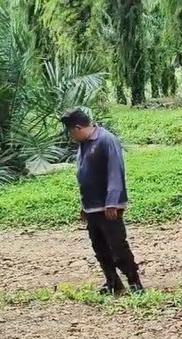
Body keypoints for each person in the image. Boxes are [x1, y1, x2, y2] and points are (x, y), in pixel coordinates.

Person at [61, 109, 144, 295]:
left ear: (78, 127)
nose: (71, 136)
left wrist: (112, 201)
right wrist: (84, 206)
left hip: (108, 207)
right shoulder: (83, 144)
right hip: (92, 206)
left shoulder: (106, 140)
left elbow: (115, 171)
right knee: (99, 248)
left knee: (118, 247)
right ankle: (113, 283)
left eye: (71, 132)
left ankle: (135, 283)